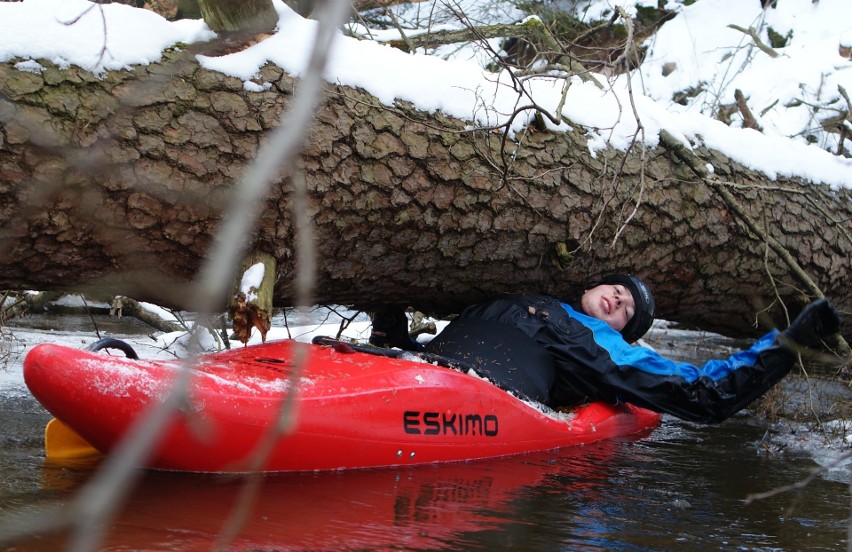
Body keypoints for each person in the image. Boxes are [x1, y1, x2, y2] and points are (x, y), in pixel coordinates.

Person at [369, 274, 842, 424]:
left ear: (623, 333)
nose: (618, 299)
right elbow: (440, 355)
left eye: (626, 310)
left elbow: (704, 395)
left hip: (472, 402)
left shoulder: (606, 348)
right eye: (618, 288)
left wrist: (787, 342)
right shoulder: (522, 293)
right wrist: (395, 337)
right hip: (412, 368)